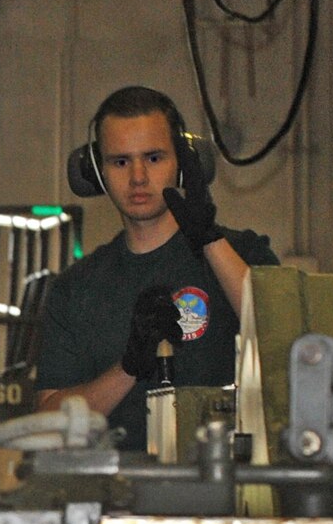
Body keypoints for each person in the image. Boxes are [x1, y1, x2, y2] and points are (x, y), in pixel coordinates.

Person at [34, 85, 277, 451]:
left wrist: (208, 239)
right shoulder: (75, 290)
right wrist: (129, 368)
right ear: (97, 173)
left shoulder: (242, 254)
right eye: (120, 161)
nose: (137, 178)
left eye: (153, 158)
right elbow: (49, 427)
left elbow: (283, 337)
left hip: (228, 491)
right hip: (116, 495)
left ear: (184, 161)